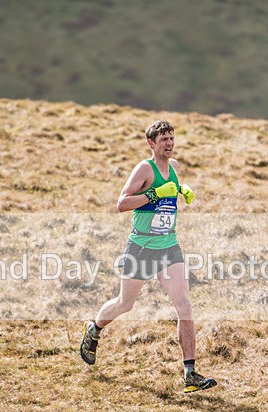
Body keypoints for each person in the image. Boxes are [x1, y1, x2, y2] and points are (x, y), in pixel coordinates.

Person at [79, 120, 217, 393]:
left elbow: (170, 191)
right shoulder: (144, 169)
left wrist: (180, 190)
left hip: (168, 246)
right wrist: (153, 193)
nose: (169, 143)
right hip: (141, 248)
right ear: (151, 144)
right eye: (163, 139)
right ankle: (93, 330)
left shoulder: (174, 167)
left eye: (171, 138)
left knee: (185, 305)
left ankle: (190, 373)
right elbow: (122, 203)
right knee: (124, 304)